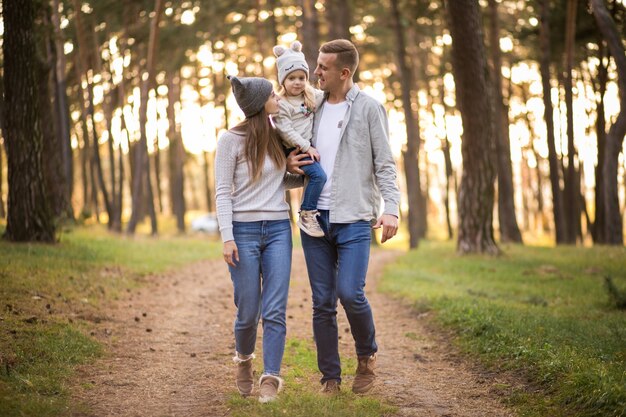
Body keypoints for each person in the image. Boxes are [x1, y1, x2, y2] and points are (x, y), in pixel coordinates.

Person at [287, 39, 401, 394]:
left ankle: (367, 357)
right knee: (322, 302)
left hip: (353, 216)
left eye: (322, 67)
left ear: (344, 72)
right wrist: (289, 167)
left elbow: (384, 163)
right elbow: (295, 155)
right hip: (314, 218)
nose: (314, 72)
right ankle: (330, 378)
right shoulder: (311, 106)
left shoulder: (369, 108)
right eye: (316, 65)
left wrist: (392, 209)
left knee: (350, 292)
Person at [215, 75, 300, 403]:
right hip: (243, 232)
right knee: (248, 309)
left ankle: (271, 378)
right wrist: (227, 237)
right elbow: (224, 192)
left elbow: (280, 182)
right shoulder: (230, 141)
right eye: (271, 94)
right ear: (257, 104)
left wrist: (300, 172)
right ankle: (244, 360)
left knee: (275, 309)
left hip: (279, 229)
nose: (277, 96)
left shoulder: (279, 135)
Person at [272, 40, 326, 238]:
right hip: (294, 149)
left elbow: (327, 95)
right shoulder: (282, 104)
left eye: (302, 77)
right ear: (282, 81)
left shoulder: (310, 95)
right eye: (292, 78)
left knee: (314, 176)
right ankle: (307, 212)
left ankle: (309, 210)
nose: (297, 82)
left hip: (306, 146)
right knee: (319, 176)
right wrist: (306, 147)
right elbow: (285, 131)